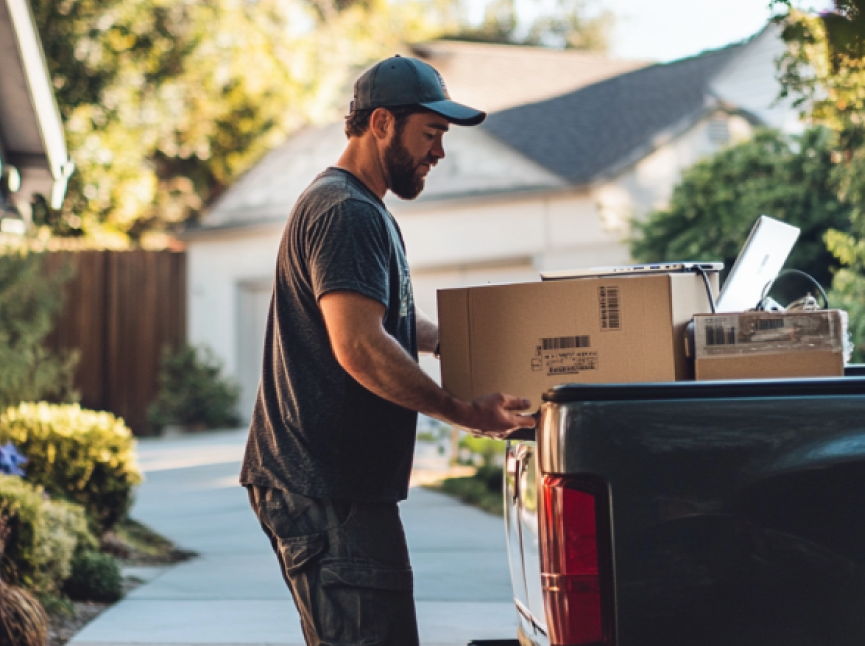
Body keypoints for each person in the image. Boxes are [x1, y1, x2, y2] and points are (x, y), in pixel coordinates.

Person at [240, 55, 535, 646]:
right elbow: (359, 346)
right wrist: (466, 413)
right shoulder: (347, 211)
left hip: (332, 486)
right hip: (326, 487)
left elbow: (383, 321)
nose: (439, 153)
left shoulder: (356, 206)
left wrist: (458, 339)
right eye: (431, 134)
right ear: (381, 123)